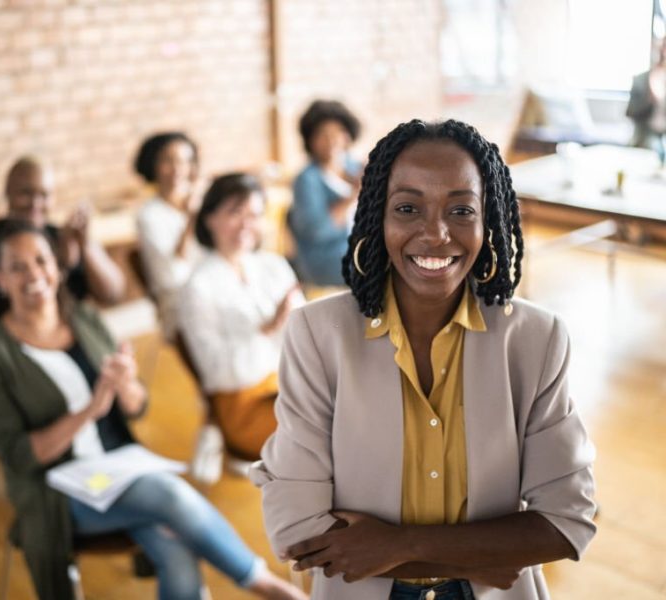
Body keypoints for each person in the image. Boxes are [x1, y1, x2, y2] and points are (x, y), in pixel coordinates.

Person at [251, 119, 597, 599]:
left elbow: (567, 521)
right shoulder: (318, 335)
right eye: (408, 208)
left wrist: (399, 545)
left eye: (460, 210)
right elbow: (295, 529)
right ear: (378, 216)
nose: (435, 234)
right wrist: (487, 552)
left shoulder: (535, 339)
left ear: (487, 219)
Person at [0, 219, 307, 600]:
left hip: (118, 467)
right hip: (57, 490)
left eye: (41, 260)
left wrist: (125, 384)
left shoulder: (83, 318)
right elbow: (17, 455)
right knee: (170, 495)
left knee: (176, 549)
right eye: (17, 267)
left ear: (58, 265)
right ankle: (267, 586)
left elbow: (136, 406)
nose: (34, 273)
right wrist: (88, 412)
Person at [179, 173, 304, 462]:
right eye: (236, 213)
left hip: (292, 388)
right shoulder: (197, 287)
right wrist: (267, 330)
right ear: (210, 218)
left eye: (255, 215)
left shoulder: (273, 265)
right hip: (243, 404)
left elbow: (305, 344)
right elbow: (218, 372)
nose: (247, 224)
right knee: (341, 430)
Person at [0, 156, 126, 338]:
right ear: (7, 193)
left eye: (44, 195)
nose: (35, 204)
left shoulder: (62, 236)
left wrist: (85, 244)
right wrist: (59, 263)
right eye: (26, 193)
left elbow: (113, 294)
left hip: (72, 340)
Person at [134, 132, 204, 338]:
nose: (177, 169)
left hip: (212, 286)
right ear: (153, 165)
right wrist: (191, 220)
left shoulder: (202, 198)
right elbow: (171, 276)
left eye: (184, 161)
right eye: (168, 161)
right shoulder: (149, 216)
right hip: (179, 303)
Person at [288, 100, 363, 286]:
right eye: (322, 135)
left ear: (347, 136)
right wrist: (353, 196)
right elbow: (317, 230)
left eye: (336, 132)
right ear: (310, 142)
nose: (330, 141)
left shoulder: (356, 167)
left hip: (360, 250)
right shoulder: (307, 179)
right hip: (324, 260)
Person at [627, 38, 666, 156]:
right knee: (653, 146)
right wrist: (650, 97)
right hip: (647, 135)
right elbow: (631, 112)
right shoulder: (643, 79)